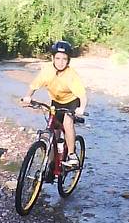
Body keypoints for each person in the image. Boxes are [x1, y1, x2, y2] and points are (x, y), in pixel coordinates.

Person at [21, 40, 87, 168]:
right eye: (57, 58)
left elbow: (82, 95)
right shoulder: (47, 71)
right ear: (52, 58)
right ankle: (51, 164)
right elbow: (34, 85)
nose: (60, 62)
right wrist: (28, 96)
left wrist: (81, 108)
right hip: (56, 101)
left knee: (67, 123)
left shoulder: (71, 75)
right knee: (54, 132)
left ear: (68, 61)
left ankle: (72, 155)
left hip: (72, 102)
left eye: (64, 59)